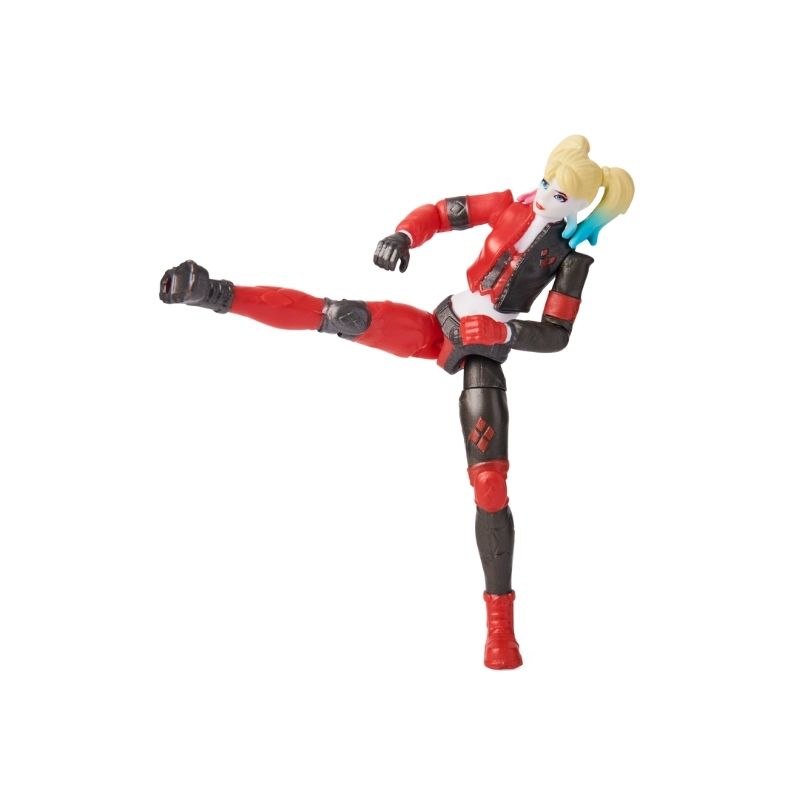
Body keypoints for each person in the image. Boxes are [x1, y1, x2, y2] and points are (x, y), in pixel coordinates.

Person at [159, 135, 634, 669]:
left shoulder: (569, 261)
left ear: (580, 205)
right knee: (343, 315)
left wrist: (503, 334)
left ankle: (500, 629)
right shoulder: (506, 205)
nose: (546, 197)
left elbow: (556, 335)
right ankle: (213, 292)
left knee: (490, 484)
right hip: (441, 324)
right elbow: (441, 213)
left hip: (483, 355)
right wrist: (404, 235)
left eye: (560, 196)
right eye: (546, 183)